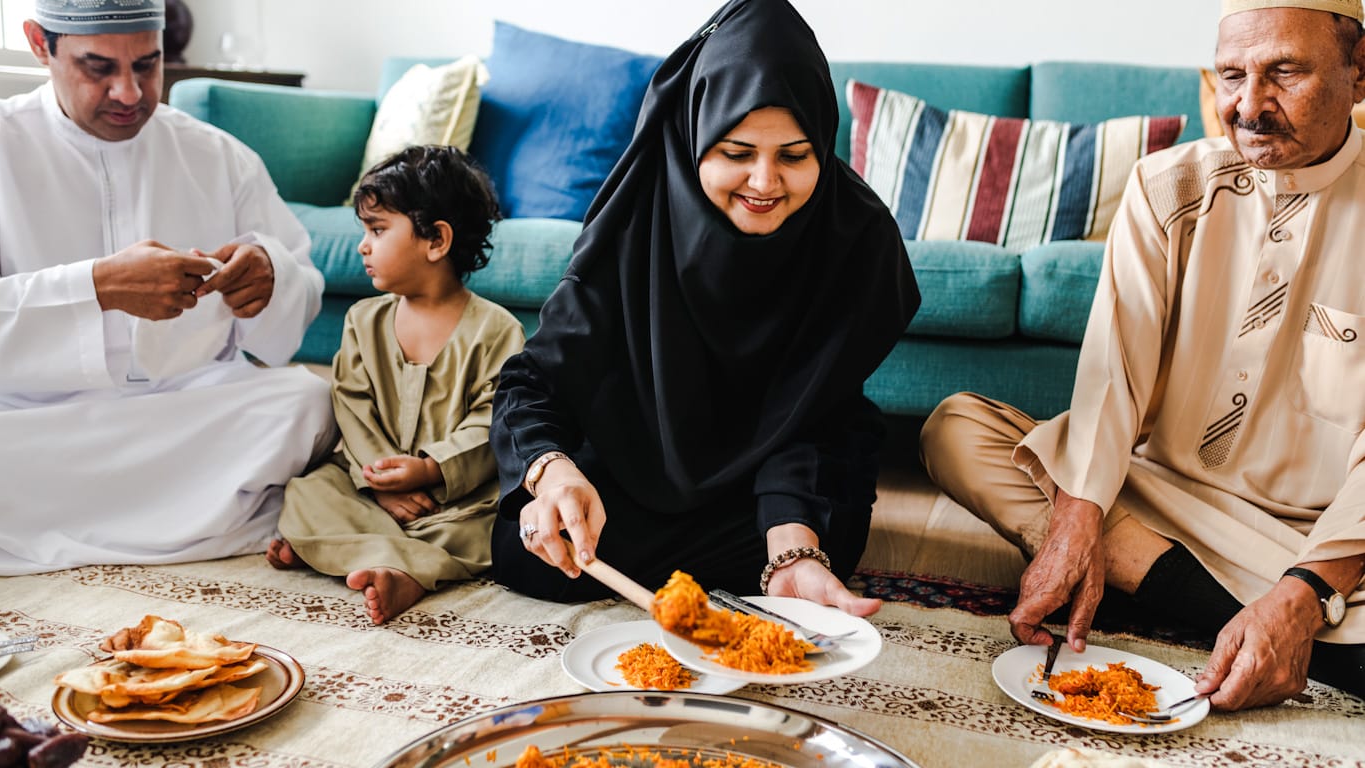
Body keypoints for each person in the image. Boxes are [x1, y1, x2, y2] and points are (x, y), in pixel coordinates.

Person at [920, 0, 1365, 708]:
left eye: (1284, 72)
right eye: (1231, 76)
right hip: (1160, 496)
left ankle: (1261, 611)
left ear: (1358, 71)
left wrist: (1305, 591)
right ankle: (1263, 624)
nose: (1250, 105)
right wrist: (1078, 518)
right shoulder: (1168, 185)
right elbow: (1110, 386)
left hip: (1318, 538)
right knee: (957, 429)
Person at [489, 0, 919, 615]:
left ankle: (784, 562)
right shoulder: (638, 218)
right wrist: (552, 474)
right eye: (737, 153)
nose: (765, 183)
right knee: (524, 544)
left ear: (823, 143)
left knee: (822, 543)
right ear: (694, 137)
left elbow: (816, 411)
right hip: (638, 462)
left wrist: (790, 536)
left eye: (795, 156)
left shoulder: (854, 237)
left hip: (774, 489)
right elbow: (534, 379)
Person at [0, 0, 335, 575]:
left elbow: (302, 284)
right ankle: (231, 520)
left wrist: (270, 276)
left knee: (307, 401)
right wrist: (96, 287)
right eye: (98, 68)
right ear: (39, 44)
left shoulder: (216, 154)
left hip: (185, 411)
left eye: (147, 65)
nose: (129, 93)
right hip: (32, 421)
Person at [269, 146, 525, 625]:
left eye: (378, 230)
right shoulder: (363, 321)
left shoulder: (496, 330)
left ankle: (381, 563)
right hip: (372, 489)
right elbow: (352, 405)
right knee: (309, 493)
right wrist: (379, 483)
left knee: (494, 529)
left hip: (454, 499)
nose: (363, 245)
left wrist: (429, 470)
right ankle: (391, 557)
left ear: (436, 241)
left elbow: (494, 421)